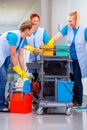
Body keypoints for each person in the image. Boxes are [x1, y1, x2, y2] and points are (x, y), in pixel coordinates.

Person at [47, 11, 87, 107]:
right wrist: (50, 42)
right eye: (68, 21)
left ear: (76, 20)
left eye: (70, 21)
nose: (68, 23)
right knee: (71, 78)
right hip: (69, 59)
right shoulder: (67, 28)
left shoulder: (84, 30)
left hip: (78, 59)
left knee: (77, 79)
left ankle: (79, 101)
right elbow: (58, 35)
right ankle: (73, 99)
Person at [0, 20, 34, 112]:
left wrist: (23, 73)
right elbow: (13, 55)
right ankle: (1, 105)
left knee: (2, 80)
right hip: (1, 55)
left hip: (5, 56)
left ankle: (2, 102)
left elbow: (21, 56)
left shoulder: (23, 39)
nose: (32, 32)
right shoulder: (14, 36)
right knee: (2, 79)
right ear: (27, 30)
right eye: (32, 30)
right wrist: (17, 69)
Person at [25, 13, 50, 81]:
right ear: (30, 21)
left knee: (41, 75)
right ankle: (35, 89)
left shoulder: (42, 31)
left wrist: (39, 50)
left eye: (37, 21)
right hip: (31, 56)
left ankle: (41, 90)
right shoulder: (27, 31)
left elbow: (49, 44)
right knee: (34, 75)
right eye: (34, 21)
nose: (36, 22)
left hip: (41, 56)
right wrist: (30, 48)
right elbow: (24, 44)